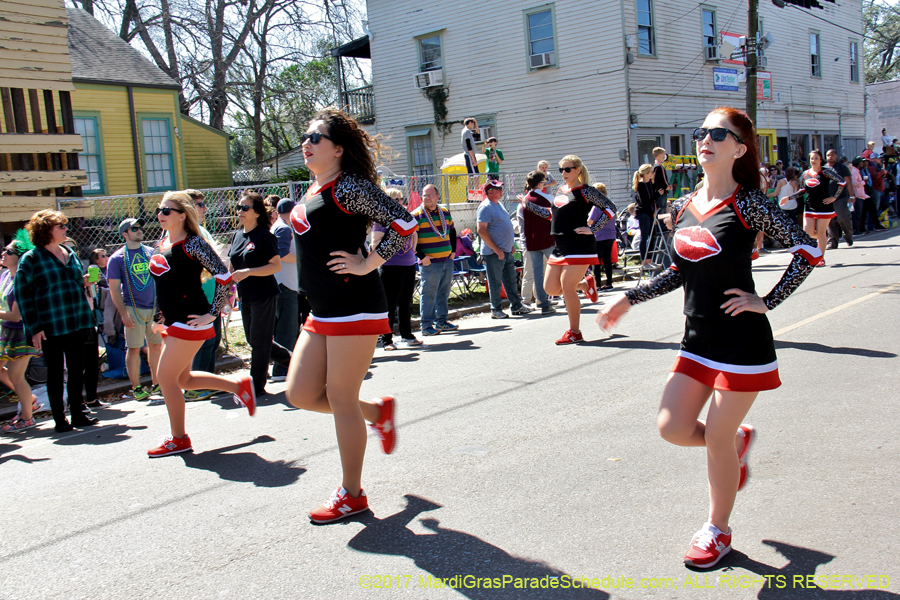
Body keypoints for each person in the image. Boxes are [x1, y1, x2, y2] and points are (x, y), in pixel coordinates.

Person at [597, 107, 822, 569]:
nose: (707, 139)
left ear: (739, 148)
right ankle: (734, 444)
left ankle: (717, 530)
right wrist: (628, 299)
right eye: (702, 131)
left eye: (720, 134)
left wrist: (767, 300)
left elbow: (808, 249)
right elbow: (678, 271)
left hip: (742, 344)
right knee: (672, 428)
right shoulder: (683, 205)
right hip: (696, 339)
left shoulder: (750, 203)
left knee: (715, 437)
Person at [285, 108, 416, 523]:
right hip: (321, 309)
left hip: (355, 304)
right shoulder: (314, 188)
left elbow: (405, 223)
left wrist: (369, 262)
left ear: (338, 149)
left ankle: (352, 493)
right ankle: (377, 413)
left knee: (339, 397)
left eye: (316, 137)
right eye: (305, 136)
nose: (307, 142)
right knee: (301, 394)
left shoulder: (350, 187)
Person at [146, 191, 255, 457]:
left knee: (166, 378)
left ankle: (178, 438)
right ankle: (238, 386)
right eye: (159, 210)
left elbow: (224, 276)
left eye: (167, 211)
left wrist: (211, 313)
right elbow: (165, 284)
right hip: (174, 321)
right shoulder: (163, 243)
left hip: (192, 320)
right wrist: (159, 316)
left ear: (182, 215)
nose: (161, 215)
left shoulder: (193, 243)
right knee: (182, 379)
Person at [16, 210, 98, 433]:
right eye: (60, 226)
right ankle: (60, 419)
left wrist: (87, 280)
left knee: (76, 369)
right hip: (50, 324)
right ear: (46, 231)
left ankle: (78, 414)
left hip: (77, 319)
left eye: (64, 226)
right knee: (55, 373)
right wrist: (34, 328)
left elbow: (72, 282)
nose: (65, 230)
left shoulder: (68, 251)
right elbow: (23, 295)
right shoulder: (31, 259)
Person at [518, 155, 615, 344]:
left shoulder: (587, 191)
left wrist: (593, 228)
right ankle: (586, 285)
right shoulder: (560, 191)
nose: (563, 173)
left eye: (567, 169)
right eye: (561, 170)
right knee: (550, 288)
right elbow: (551, 215)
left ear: (578, 169)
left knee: (567, 286)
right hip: (560, 245)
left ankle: (575, 332)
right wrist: (528, 205)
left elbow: (610, 208)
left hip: (580, 245)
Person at [229, 192, 292, 397]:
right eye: (239, 207)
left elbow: (275, 266)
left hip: (264, 293)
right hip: (245, 295)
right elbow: (233, 264)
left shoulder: (265, 235)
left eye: (245, 208)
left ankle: (256, 386)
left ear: (257, 212)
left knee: (259, 340)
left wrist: (249, 272)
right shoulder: (238, 235)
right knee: (255, 339)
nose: (240, 211)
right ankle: (298, 364)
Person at [107, 218, 162, 402]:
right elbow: (114, 290)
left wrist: (162, 308)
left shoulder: (151, 252)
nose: (140, 230)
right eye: (135, 228)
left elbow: (161, 279)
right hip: (133, 309)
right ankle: (137, 388)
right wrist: (123, 314)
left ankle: (157, 383)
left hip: (154, 308)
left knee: (156, 346)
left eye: (140, 227)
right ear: (125, 234)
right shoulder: (117, 258)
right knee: (134, 348)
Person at [184, 189, 222, 402]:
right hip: (197, 297)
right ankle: (194, 387)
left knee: (212, 341)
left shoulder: (202, 231)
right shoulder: (184, 232)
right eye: (199, 204)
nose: (204, 208)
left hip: (211, 294)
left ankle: (207, 382)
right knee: (202, 342)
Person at [0, 231, 40, 432]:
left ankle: (27, 418)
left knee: (16, 376)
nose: (3, 253)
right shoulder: (6, 275)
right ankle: (29, 399)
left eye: (9, 251)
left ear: (19, 257)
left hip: (20, 333)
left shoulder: (21, 280)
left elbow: (15, 316)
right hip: (5, 333)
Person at [374, 188, 421, 350]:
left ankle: (406, 334)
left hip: (408, 264)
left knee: (406, 303)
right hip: (390, 266)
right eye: (395, 200)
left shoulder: (406, 217)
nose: (399, 203)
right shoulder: (380, 219)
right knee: (390, 304)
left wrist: (413, 248)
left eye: (401, 199)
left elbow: (414, 234)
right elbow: (375, 243)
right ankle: (386, 339)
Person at [478, 179, 532, 319]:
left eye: (501, 188)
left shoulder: (499, 204)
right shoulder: (485, 207)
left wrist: (511, 245)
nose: (501, 191)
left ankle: (516, 306)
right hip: (494, 253)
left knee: (510, 280)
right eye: (498, 189)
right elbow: (481, 230)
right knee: (495, 282)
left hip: (506, 250)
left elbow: (504, 226)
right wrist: (496, 249)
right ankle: (495, 309)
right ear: (489, 192)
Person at [412, 184, 458, 336]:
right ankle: (426, 325)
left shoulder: (444, 212)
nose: (427, 198)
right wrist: (422, 257)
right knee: (429, 294)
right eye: (425, 195)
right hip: (430, 263)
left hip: (447, 260)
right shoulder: (417, 214)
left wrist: (453, 251)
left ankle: (442, 321)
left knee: (444, 292)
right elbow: (412, 239)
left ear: (438, 197)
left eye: (430, 195)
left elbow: (452, 231)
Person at [269, 196, 300, 382]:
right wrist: (302, 259)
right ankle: (281, 369)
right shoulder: (284, 228)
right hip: (285, 284)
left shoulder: (280, 225)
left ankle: (281, 368)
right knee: (287, 328)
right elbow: (282, 253)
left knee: (284, 328)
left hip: (283, 283)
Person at [518, 171, 556, 314]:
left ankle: (543, 302)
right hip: (547, 239)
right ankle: (565, 296)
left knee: (538, 273)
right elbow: (551, 215)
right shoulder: (547, 198)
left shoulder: (525, 199)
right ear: (540, 183)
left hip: (532, 241)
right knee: (558, 269)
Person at [799, 149, 845, 265]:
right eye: (811, 158)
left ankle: (820, 257)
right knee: (808, 232)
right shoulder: (805, 174)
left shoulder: (826, 172)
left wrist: (834, 197)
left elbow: (842, 182)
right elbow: (802, 190)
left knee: (820, 232)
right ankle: (822, 238)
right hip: (809, 206)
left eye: (816, 158)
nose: (813, 160)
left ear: (820, 160)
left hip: (824, 207)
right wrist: (788, 198)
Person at [588, 182, 618, 291]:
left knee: (596, 261)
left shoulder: (597, 206)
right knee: (607, 260)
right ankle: (609, 283)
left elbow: (590, 221)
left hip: (599, 236)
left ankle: (598, 285)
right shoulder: (611, 204)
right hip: (611, 235)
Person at [633, 163, 660, 271]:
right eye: (652, 172)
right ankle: (644, 261)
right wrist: (656, 195)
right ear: (646, 174)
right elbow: (645, 201)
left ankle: (649, 260)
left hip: (649, 212)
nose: (653, 174)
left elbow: (651, 198)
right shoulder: (641, 185)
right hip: (643, 212)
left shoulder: (650, 184)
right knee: (644, 237)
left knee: (653, 235)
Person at [825, 149, 854, 250]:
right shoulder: (823, 168)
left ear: (836, 156)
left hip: (841, 197)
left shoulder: (842, 167)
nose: (830, 156)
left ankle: (848, 235)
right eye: (828, 155)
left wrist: (852, 196)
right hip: (827, 198)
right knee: (830, 220)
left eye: (832, 154)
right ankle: (832, 241)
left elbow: (849, 182)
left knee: (843, 217)